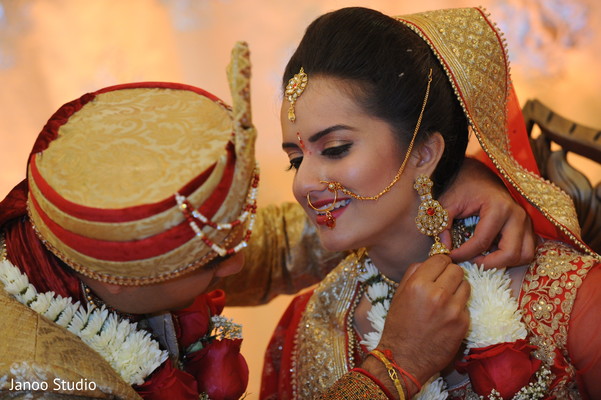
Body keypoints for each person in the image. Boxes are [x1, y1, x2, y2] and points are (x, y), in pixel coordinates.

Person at [0, 42, 534, 399]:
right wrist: (397, 365)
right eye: (211, 259)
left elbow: (277, 245)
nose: (236, 263)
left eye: (338, 147)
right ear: (122, 276)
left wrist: (436, 179)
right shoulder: (44, 380)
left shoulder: (96, 233)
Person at [262, 6, 601, 400]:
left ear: (424, 154)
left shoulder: (568, 298)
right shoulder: (306, 330)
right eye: (295, 161)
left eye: (335, 149)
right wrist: (398, 361)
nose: (303, 183)